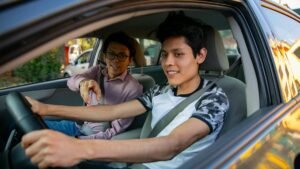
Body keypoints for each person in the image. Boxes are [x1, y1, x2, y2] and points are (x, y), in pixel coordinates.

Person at [22, 12, 229, 169]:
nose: (168, 63)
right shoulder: (159, 91)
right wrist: (45, 108)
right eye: (165, 55)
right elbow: (112, 112)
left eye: (178, 54)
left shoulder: (214, 98)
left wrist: (79, 148)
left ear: (200, 56)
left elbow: (171, 145)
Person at [45, 31, 143, 139]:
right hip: (79, 127)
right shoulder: (97, 71)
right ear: (105, 56)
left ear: (129, 60)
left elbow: (115, 132)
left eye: (122, 56)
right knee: (37, 124)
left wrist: (79, 141)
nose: (116, 60)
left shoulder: (133, 88)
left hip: (94, 138)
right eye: (111, 54)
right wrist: (82, 82)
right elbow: (71, 81)